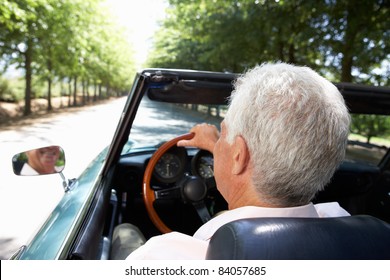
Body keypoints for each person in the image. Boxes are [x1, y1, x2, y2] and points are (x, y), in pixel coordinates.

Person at [123, 62, 351, 259]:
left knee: (124, 232)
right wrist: (219, 146)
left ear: (238, 156)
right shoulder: (348, 227)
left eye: (222, 134)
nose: (219, 141)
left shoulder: (162, 257)